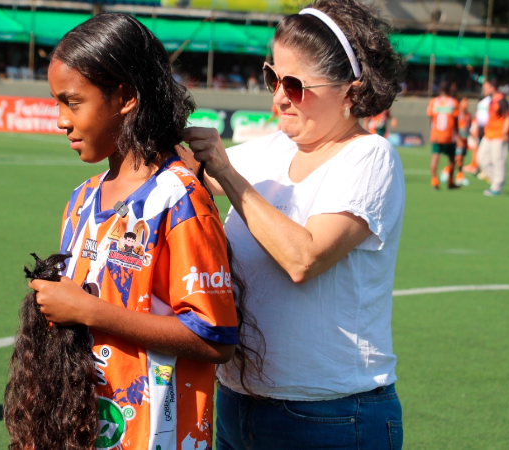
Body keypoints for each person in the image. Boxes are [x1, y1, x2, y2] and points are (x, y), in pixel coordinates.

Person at [180, 0, 406, 448]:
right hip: (236, 404)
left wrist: (225, 172)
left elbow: (303, 257)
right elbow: (183, 169)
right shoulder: (271, 151)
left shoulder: (370, 157)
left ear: (351, 92)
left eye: (296, 85)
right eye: (272, 76)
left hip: (333, 416)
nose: (278, 96)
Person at [26, 13, 246, 450]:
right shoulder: (81, 199)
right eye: (56, 103)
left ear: (125, 97)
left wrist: (89, 312)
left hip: (158, 436)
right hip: (88, 428)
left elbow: (214, 337)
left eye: (72, 102)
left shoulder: (179, 199)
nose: (59, 120)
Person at [475, 79, 509, 196]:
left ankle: (497, 186)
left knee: (498, 160)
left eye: (486, 87)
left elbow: (508, 117)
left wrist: (505, 132)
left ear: (492, 88)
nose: (484, 89)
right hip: (488, 134)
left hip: (498, 135)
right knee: (481, 158)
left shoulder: (501, 101)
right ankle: (495, 180)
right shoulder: (490, 100)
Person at [427, 80, 460, 190]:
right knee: (451, 159)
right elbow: (456, 121)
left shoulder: (433, 102)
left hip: (436, 134)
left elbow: (430, 117)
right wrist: (458, 135)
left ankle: (434, 180)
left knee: (435, 157)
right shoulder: (453, 102)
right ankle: (450, 181)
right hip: (449, 135)